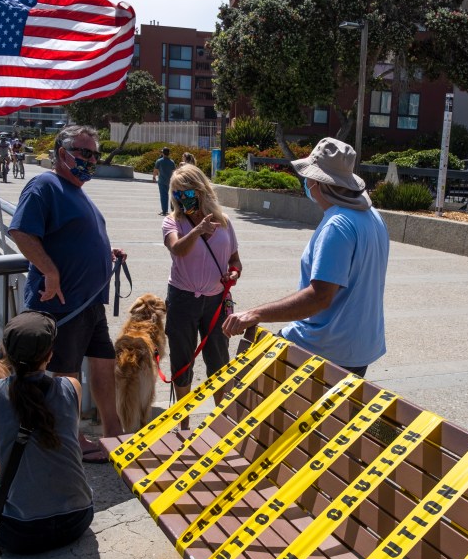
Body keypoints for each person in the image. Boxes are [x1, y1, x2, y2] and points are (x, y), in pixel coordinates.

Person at [222, 137, 389, 377]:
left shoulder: (338, 225)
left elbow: (318, 298)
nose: (306, 182)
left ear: (318, 183)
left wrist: (255, 313)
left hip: (325, 347)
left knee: (251, 390)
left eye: (308, 177)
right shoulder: (372, 217)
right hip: (359, 347)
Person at [9, 124, 124, 463]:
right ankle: (69, 436)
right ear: (63, 154)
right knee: (66, 373)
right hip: (62, 304)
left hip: (90, 302)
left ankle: (114, 432)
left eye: (95, 155)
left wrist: (107, 253)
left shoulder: (77, 191)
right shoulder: (45, 185)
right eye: (85, 153)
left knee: (104, 362)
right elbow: (21, 231)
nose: (91, 160)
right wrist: (50, 271)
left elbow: (76, 237)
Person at [0, 310, 94, 554]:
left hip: (20, 533)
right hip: (77, 520)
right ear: (49, 355)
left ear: (6, 352)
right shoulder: (71, 386)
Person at [163, 165, 241, 426]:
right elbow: (177, 249)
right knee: (182, 360)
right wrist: (197, 231)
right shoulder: (173, 221)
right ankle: (182, 422)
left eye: (186, 192)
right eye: (176, 193)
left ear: (201, 190)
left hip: (216, 302)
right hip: (182, 300)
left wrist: (234, 274)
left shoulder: (225, 222)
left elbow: (235, 260)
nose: (181, 197)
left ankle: (221, 420)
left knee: (218, 359)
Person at [152, 147, 176, 216]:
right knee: (169, 195)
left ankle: (164, 211)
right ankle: (170, 209)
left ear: (163, 153)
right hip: (170, 181)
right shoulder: (172, 162)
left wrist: (154, 177)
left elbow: (155, 170)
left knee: (163, 195)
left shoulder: (159, 161)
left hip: (162, 181)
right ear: (169, 153)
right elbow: (174, 171)